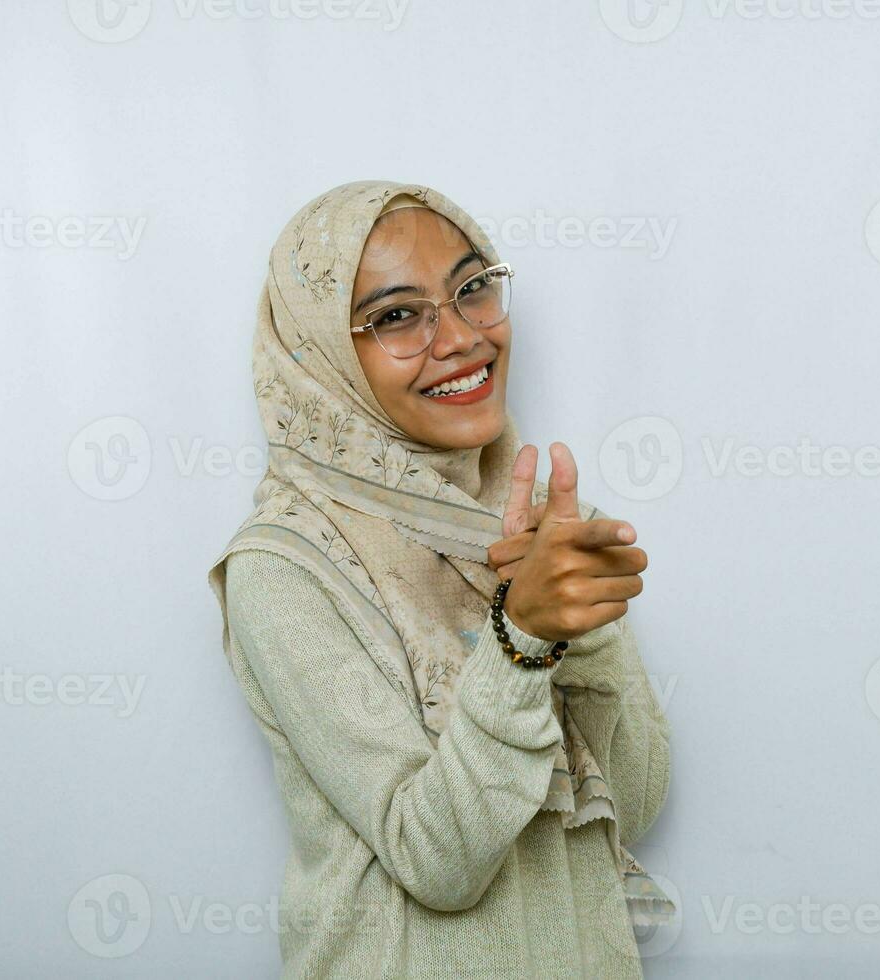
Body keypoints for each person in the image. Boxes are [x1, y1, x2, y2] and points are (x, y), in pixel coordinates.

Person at [207, 180, 674, 978]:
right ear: (320, 356)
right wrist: (523, 638)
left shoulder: (536, 526)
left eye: (472, 289)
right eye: (396, 315)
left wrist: (575, 631)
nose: (460, 337)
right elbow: (437, 863)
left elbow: (632, 801)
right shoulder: (285, 566)